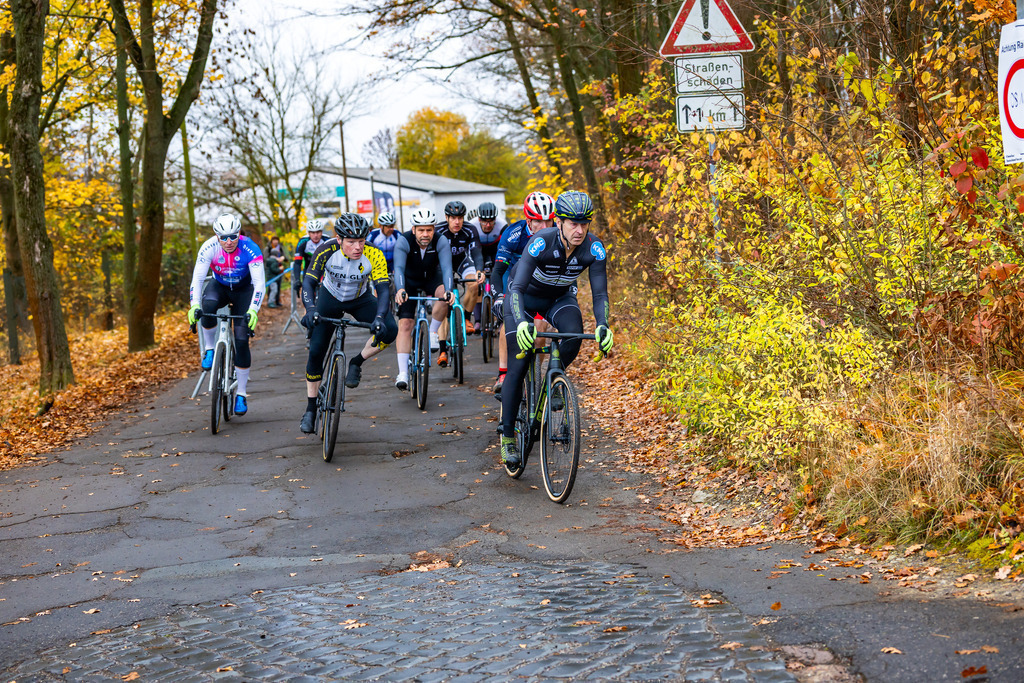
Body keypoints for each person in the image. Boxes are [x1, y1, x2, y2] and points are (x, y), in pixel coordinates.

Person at [498, 191, 614, 469]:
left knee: (574, 335)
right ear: (558, 222)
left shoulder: (594, 249)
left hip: (560, 299)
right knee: (520, 359)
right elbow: (516, 287)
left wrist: (603, 325)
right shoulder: (540, 243)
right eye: (573, 223)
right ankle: (508, 436)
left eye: (584, 223)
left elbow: (600, 295)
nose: (579, 230)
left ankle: (555, 378)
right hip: (523, 300)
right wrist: (523, 321)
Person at [298, 213, 398, 434]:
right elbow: (309, 281)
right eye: (351, 242)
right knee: (316, 351)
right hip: (329, 297)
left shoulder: (374, 253)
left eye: (361, 241)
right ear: (339, 239)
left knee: (390, 330)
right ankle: (311, 408)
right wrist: (311, 309)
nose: (358, 247)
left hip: (360, 299)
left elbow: (382, 290)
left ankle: (356, 362)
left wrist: (380, 318)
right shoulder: (325, 249)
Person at [187, 214, 265, 416]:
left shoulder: (251, 249)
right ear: (216, 236)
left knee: (241, 339)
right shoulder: (208, 248)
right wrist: (193, 305)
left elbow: (259, 285)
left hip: (244, 291)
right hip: (219, 286)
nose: (229, 242)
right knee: (207, 306)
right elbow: (197, 280)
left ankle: (241, 393)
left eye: (233, 236)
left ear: (239, 233)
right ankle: (211, 349)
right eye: (223, 237)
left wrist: (253, 310)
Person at [489, 191, 556, 396]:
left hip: (539, 280)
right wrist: (499, 297)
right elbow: (498, 270)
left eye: (549, 221)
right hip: (513, 277)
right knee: (508, 318)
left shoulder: (558, 233)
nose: (545, 227)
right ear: (528, 220)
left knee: (540, 327)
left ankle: (535, 371)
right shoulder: (513, 234)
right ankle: (503, 372)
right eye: (538, 222)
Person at [392, 207, 455, 390]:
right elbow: (399, 269)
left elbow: (447, 269)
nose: (425, 234)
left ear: (434, 229)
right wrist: (401, 289)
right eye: (421, 230)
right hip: (409, 281)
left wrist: (449, 290)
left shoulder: (440, 240)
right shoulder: (404, 241)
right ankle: (403, 372)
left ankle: (433, 332)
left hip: (431, 278)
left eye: (429, 229)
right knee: (405, 324)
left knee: (444, 295)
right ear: (414, 230)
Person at [436, 200, 485, 361]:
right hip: (443, 264)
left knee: (474, 284)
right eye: (453, 218)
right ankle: (442, 349)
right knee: (443, 300)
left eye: (460, 218)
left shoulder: (470, 229)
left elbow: (476, 252)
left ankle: (465, 317)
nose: (457, 222)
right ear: (447, 217)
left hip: (463, 262)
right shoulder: (439, 230)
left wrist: (479, 270)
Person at [467, 201, 507, 334]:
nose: (488, 225)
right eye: (484, 221)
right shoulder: (472, 225)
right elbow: (472, 250)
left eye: (491, 221)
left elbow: (505, 247)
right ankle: (478, 320)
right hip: (478, 250)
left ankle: (500, 316)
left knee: (499, 278)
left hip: (495, 250)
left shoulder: (502, 225)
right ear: (479, 219)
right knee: (478, 283)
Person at [292, 218, 327, 302]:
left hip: (324, 270)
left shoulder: (327, 241)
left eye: (318, 232)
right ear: (308, 233)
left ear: (321, 232)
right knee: (308, 295)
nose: (315, 235)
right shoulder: (302, 242)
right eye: (313, 232)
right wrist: (297, 280)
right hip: (308, 270)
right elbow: (297, 263)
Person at [265, 235, 286, 307]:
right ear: (271, 241)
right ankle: (270, 301)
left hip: (278, 270)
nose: (275, 241)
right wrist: (275, 260)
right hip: (271, 271)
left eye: (277, 240)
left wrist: (283, 258)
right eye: (274, 240)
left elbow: (285, 256)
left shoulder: (280, 248)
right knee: (272, 287)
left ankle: (277, 301)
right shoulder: (268, 248)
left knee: (278, 286)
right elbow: (265, 258)